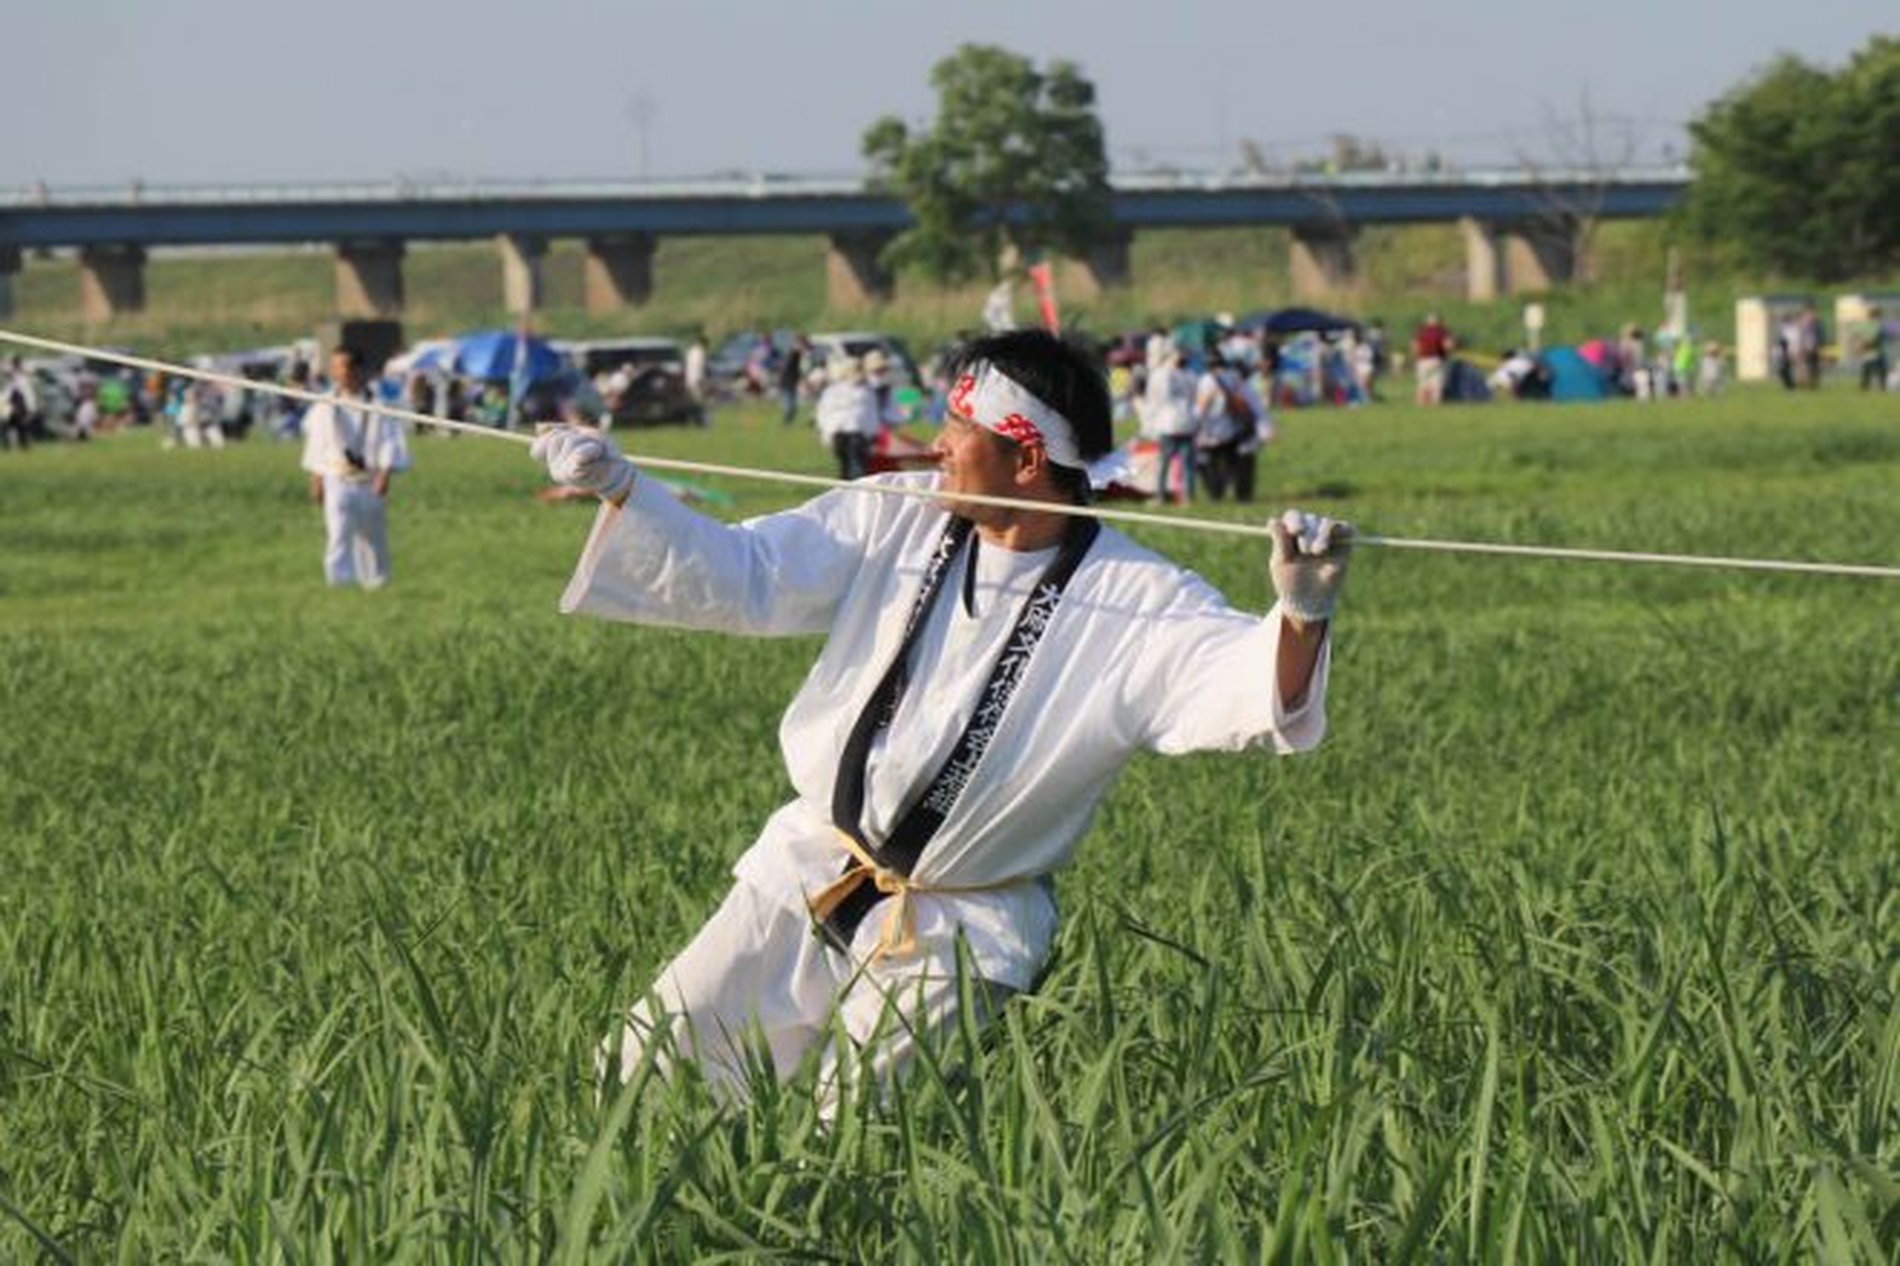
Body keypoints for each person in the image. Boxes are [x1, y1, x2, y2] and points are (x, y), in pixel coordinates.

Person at [530, 328, 1352, 1110]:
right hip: (813, 867)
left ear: (1027, 459)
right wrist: (623, 490)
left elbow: (1243, 691)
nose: (938, 445)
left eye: (961, 428)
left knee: (853, 1143)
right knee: (639, 1080)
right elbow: (750, 572)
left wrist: (1302, 613)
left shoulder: (1140, 598)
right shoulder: (897, 514)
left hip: (964, 931)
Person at [299, 346, 411, 589]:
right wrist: (316, 479)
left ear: (358, 370)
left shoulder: (379, 405)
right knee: (338, 532)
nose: (339, 373)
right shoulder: (325, 406)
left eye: (344, 367)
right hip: (337, 478)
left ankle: (376, 581)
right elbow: (318, 443)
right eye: (335, 367)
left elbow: (390, 441)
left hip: (369, 478)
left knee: (372, 535)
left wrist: (385, 473)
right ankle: (339, 581)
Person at [1137, 346, 1196, 504]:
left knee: (1165, 463)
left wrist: (1148, 426)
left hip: (1169, 423)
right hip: (1186, 423)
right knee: (1186, 464)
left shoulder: (1162, 374)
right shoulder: (1189, 374)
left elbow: (1155, 400)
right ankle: (1188, 496)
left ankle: (1161, 495)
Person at [813, 356, 883, 481]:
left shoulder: (866, 391)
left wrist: (873, 436)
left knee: (854, 465)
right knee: (848, 465)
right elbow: (824, 414)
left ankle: (851, 488)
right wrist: (827, 434)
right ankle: (850, 489)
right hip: (843, 433)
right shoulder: (834, 391)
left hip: (856, 434)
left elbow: (871, 415)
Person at [1412, 313, 1452, 405]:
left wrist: (1416, 357)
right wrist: (1448, 354)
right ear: (1439, 321)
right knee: (1437, 383)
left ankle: (1421, 403)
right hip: (1437, 359)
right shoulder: (1442, 331)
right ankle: (1435, 403)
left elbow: (1415, 346)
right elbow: (1448, 345)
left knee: (1422, 383)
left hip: (1422, 359)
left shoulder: (1420, 331)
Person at [778, 336, 808, 425]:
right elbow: (789, 369)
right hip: (786, 382)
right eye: (803, 345)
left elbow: (796, 369)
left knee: (793, 406)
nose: (804, 348)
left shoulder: (796, 354)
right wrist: (800, 377)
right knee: (790, 406)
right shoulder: (792, 354)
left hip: (791, 382)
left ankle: (788, 423)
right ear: (797, 344)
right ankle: (786, 423)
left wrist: (800, 377)